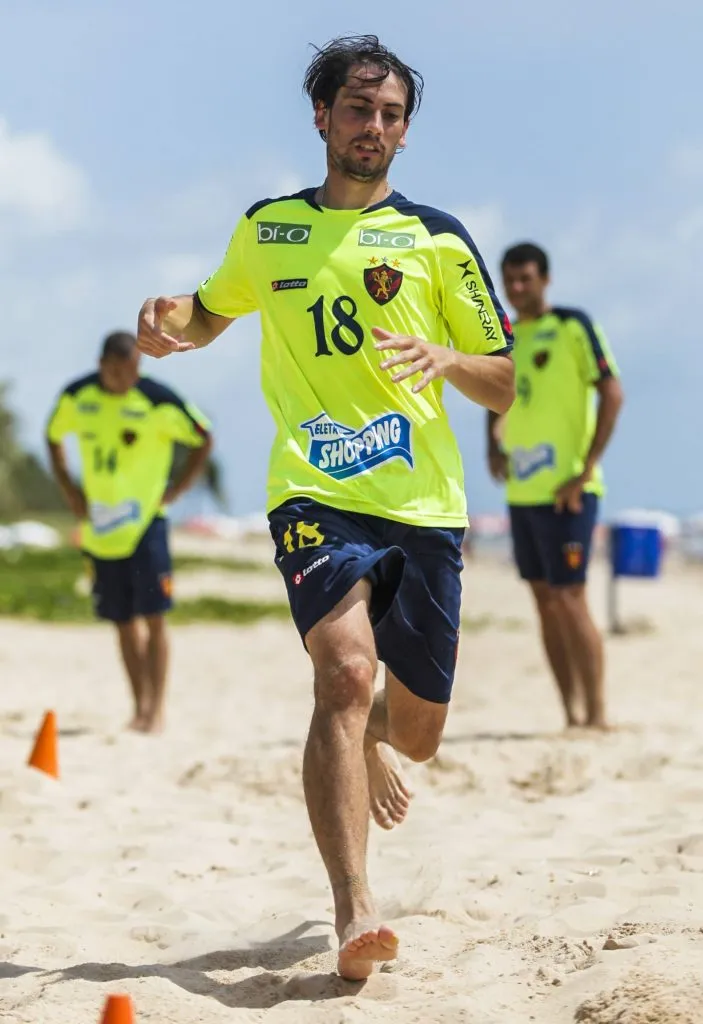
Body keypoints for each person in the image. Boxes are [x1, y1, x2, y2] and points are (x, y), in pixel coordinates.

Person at [136, 35, 514, 980]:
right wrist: (167, 321)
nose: (372, 128)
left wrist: (446, 361)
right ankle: (355, 910)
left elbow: (504, 381)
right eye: (357, 109)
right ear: (321, 116)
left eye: (389, 115)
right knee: (343, 675)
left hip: (422, 503)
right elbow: (212, 309)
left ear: (403, 130)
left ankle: (376, 737)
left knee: (416, 730)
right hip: (313, 491)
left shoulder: (437, 238)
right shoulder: (269, 229)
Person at [46, 331, 213, 734]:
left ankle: (156, 711)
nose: (126, 379)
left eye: (134, 370)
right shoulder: (76, 395)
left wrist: (177, 490)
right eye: (119, 371)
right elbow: (52, 437)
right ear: (102, 364)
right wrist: (71, 490)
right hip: (101, 528)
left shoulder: (158, 399)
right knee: (121, 620)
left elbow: (203, 437)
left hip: (146, 525)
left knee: (154, 617)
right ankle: (138, 707)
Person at [486, 242, 624, 730]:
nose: (517, 288)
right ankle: (570, 713)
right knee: (544, 603)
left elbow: (612, 391)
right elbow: (494, 391)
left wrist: (585, 469)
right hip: (522, 492)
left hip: (570, 492)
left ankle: (599, 712)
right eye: (510, 280)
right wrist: (491, 446)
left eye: (525, 278)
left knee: (570, 597)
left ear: (545, 279)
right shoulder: (503, 336)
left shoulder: (573, 326)